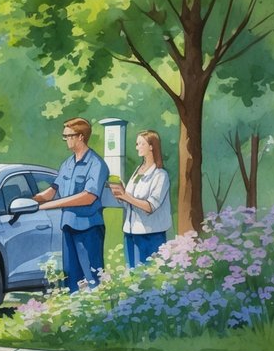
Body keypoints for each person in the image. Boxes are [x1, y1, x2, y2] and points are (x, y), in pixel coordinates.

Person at [33, 117, 109, 291]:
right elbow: (52, 190)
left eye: (69, 136)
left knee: (92, 276)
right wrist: (32, 201)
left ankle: (96, 311)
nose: (66, 139)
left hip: (88, 227)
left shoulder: (96, 164)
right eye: (65, 136)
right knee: (73, 277)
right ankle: (75, 311)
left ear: (81, 136)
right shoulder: (67, 164)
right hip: (68, 226)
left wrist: (49, 206)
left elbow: (89, 197)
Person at [110, 129, 172, 267]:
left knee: (149, 277)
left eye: (141, 144)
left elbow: (150, 207)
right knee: (131, 276)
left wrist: (126, 196)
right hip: (131, 232)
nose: (137, 147)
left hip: (150, 235)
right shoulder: (138, 170)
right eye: (137, 144)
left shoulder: (160, 175)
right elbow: (130, 199)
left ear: (151, 146)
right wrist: (120, 195)